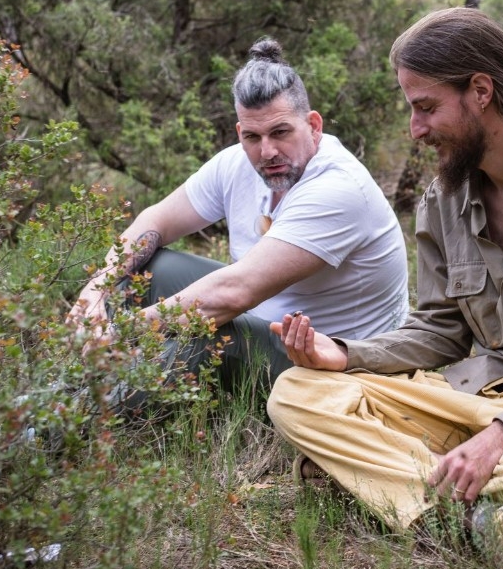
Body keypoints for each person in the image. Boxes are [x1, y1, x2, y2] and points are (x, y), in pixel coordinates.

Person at [265, 7, 503, 531]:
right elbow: (441, 330)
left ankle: (392, 484)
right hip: (472, 398)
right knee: (297, 393)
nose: (415, 129)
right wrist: (346, 354)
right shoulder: (442, 200)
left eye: (426, 107)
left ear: (480, 91)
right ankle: (464, 512)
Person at [67, 38, 410, 399]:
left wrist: (122, 332)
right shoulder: (236, 163)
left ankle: (50, 432)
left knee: (202, 332)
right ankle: (64, 393)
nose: (267, 152)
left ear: (313, 125)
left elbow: (234, 293)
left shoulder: (338, 188)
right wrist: (94, 293)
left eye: (280, 132)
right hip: (264, 322)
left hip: (331, 365)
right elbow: (155, 221)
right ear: (239, 132)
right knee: (142, 268)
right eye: (252, 136)